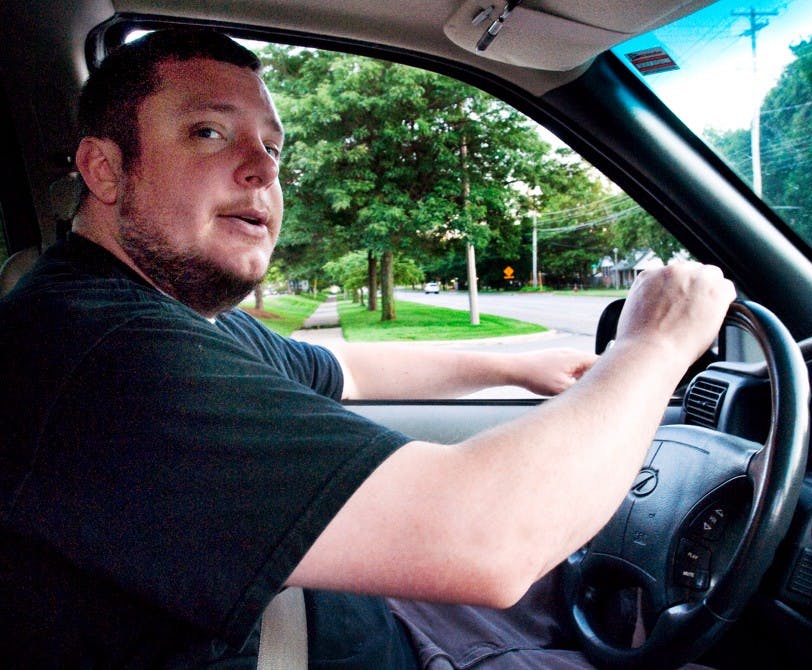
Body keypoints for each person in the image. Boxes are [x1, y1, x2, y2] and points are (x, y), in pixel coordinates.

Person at [0, 28, 735, 669]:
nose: (262, 169)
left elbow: (348, 367)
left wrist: (516, 364)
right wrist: (654, 344)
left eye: (273, 148)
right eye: (209, 133)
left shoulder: (169, 317)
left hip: (351, 623)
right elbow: (490, 540)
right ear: (104, 169)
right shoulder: (108, 355)